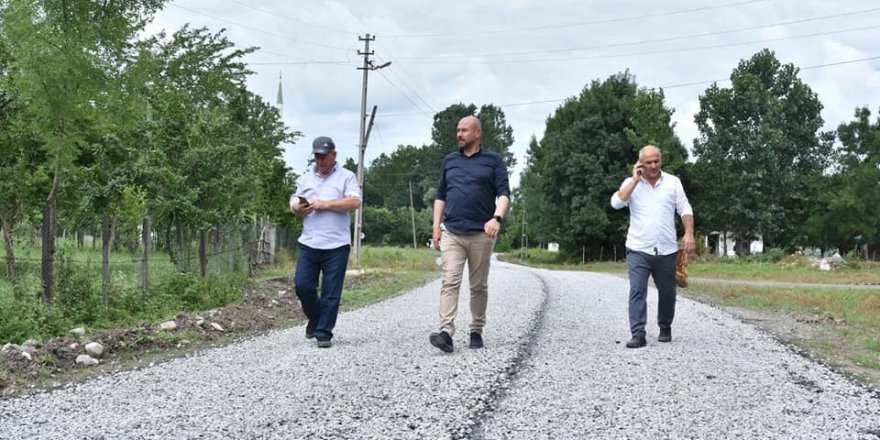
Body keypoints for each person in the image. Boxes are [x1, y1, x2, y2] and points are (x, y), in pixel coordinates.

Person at [429, 116, 510, 353]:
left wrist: (497, 218)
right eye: (458, 130)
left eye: (464, 130)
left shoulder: (493, 161)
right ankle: (446, 332)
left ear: (477, 133)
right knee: (450, 280)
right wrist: (436, 227)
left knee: (478, 286)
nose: (459, 134)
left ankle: (476, 329)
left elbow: (504, 194)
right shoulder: (450, 160)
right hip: (452, 231)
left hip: (481, 234)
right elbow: (440, 195)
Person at [610, 145, 695, 349]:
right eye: (649, 162)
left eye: (657, 161)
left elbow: (684, 208)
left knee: (667, 292)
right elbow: (616, 203)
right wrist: (634, 180)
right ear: (640, 163)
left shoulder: (673, 183)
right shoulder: (631, 184)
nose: (654, 165)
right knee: (637, 290)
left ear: (661, 160)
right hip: (638, 248)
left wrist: (689, 233)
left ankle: (665, 326)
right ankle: (638, 333)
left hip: (666, 249)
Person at [290, 136, 362, 348]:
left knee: (331, 291)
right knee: (302, 285)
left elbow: (355, 201)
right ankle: (315, 317)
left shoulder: (346, 177)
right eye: (317, 156)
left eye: (324, 156)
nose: (320, 161)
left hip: (336, 245)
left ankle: (323, 333)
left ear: (334, 155)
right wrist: (297, 207)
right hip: (310, 242)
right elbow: (294, 201)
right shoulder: (305, 178)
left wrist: (324, 204)